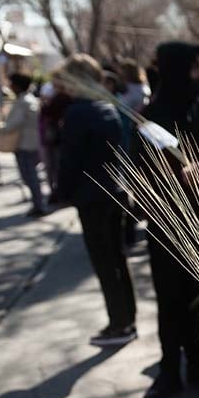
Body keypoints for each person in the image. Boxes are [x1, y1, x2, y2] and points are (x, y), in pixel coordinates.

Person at [139, 42, 199, 398]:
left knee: (196, 299)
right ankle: (169, 371)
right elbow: (138, 176)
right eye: (193, 68)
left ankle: (198, 363)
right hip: (165, 229)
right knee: (169, 302)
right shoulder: (148, 117)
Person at [56, 54, 137, 348]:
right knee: (117, 259)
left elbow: (70, 160)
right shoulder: (107, 105)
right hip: (114, 192)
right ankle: (126, 318)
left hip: (93, 197)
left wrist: (62, 192)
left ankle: (119, 323)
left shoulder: (78, 113)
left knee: (106, 261)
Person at [1, 73, 46, 217]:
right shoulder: (29, 99)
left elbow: (14, 123)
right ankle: (37, 203)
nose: (10, 87)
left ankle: (38, 205)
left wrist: (2, 127)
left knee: (30, 176)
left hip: (25, 144)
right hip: (30, 143)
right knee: (31, 176)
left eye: (12, 84)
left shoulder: (24, 102)